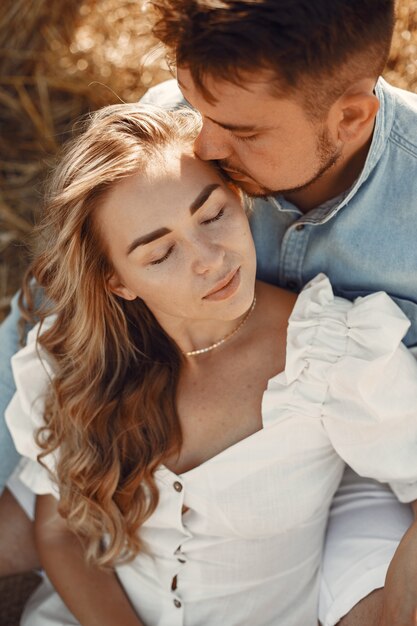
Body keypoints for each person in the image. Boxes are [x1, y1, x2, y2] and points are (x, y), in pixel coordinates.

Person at [1, 0, 417, 623]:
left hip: (366, 445)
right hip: (148, 393)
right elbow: (53, 312)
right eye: (197, 106)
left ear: (351, 117)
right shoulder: (170, 135)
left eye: (243, 133)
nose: (203, 142)